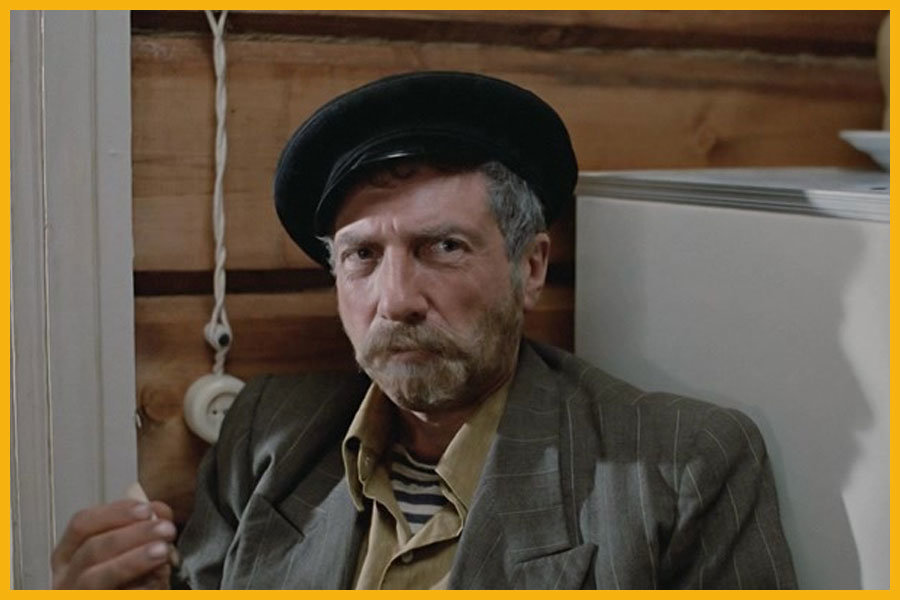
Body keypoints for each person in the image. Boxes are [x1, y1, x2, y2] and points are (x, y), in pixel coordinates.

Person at [52, 71, 796, 589]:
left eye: (442, 247)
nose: (396, 299)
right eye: (362, 256)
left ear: (530, 267)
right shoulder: (267, 439)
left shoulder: (678, 467)